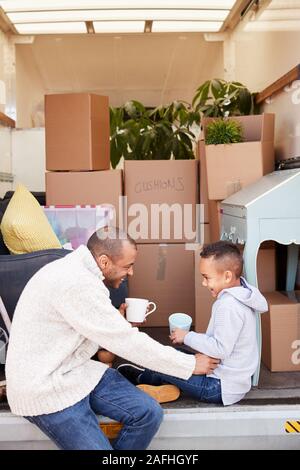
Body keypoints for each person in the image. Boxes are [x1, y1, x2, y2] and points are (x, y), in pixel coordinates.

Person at [5, 226, 219, 450]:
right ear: (105, 262)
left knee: (148, 413)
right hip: (45, 387)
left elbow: (86, 327)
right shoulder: (77, 284)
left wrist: (117, 323)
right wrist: (190, 364)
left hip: (76, 371)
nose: (132, 272)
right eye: (128, 266)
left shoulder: (79, 271)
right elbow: (130, 344)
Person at [118, 241, 268, 406]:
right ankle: (162, 385)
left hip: (217, 387)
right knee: (175, 353)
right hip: (226, 379)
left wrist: (187, 336)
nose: (204, 283)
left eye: (206, 277)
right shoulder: (242, 296)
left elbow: (220, 349)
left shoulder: (229, 306)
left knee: (167, 362)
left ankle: (143, 379)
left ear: (227, 276)